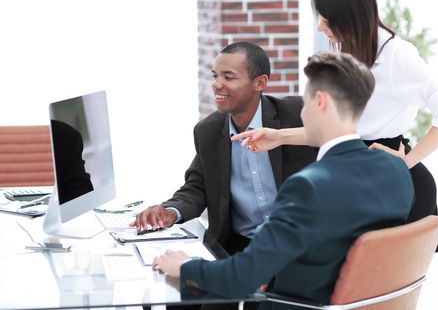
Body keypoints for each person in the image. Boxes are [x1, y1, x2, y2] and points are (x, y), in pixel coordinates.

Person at [152, 51, 414, 308]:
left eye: (307, 100)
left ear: (319, 102)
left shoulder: (307, 187)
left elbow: (239, 279)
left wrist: (184, 266)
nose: (301, 111)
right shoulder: (395, 169)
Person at [232, 0, 438, 233]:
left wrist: (407, 161)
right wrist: (279, 135)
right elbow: (344, 131)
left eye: (327, 20)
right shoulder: (346, 52)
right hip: (358, 174)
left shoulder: (397, 56)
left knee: (387, 269)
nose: (320, 27)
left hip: (391, 182)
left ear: (351, 20)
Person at [131, 42, 317, 254]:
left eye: (228, 77)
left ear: (260, 83)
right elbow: (197, 187)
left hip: (303, 244)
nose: (217, 84)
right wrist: (170, 211)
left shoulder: (297, 115)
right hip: (242, 248)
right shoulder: (208, 131)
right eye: (214, 76)